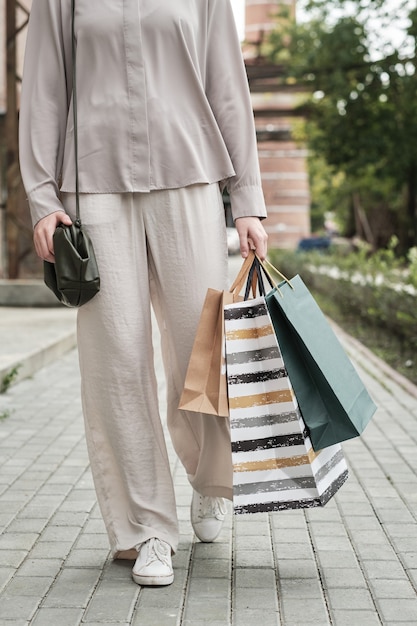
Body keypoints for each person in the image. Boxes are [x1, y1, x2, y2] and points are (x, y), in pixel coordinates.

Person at [19, 0, 268, 587]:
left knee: (199, 348)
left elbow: (226, 85)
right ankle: (146, 528)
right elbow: (46, 90)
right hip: (93, 184)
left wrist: (248, 199)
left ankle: (212, 480)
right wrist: (43, 197)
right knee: (117, 361)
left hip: (189, 175)